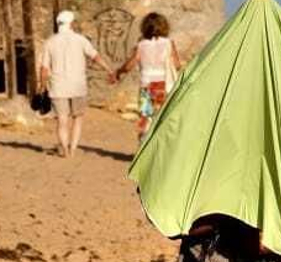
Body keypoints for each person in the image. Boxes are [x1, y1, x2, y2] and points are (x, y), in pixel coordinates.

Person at [109, 11, 182, 142]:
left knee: (145, 117)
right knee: (162, 118)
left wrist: (118, 72)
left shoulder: (141, 45)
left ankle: (143, 145)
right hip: (163, 85)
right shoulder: (169, 44)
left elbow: (129, 65)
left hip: (146, 86)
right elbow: (177, 65)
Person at [38, 9, 99, 157]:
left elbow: (44, 68)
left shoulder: (50, 42)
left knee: (62, 120)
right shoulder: (80, 39)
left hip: (58, 87)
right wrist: (110, 70)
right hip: (78, 86)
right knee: (77, 119)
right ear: (71, 24)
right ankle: (72, 150)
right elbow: (95, 56)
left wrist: (41, 86)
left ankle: (64, 150)